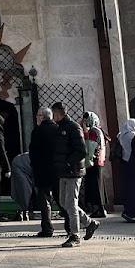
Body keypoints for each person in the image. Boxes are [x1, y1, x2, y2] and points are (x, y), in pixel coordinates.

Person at [51, 102, 99, 247]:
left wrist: (68, 163)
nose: (53, 117)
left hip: (73, 171)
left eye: (54, 114)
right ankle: (89, 222)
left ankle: (75, 235)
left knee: (71, 203)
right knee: (63, 202)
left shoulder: (73, 127)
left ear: (58, 113)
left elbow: (81, 150)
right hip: (63, 172)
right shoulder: (59, 128)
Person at [28, 107, 58, 237]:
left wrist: (34, 165)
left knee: (44, 200)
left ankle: (47, 228)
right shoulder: (58, 129)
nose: (36, 118)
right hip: (58, 169)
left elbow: (33, 152)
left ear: (42, 117)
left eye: (37, 116)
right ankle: (70, 227)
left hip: (42, 170)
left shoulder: (38, 131)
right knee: (62, 199)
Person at [80, 111, 108, 217]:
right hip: (95, 161)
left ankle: (100, 208)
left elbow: (89, 146)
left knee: (96, 185)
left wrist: (85, 132)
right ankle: (98, 208)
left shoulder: (94, 131)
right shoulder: (97, 130)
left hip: (94, 161)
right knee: (95, 184)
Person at [9, 150, 35, 221]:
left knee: (26, 189)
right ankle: (24, 211)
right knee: (25, 190)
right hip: (19, 166)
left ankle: (25, 210)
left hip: (25, 165)